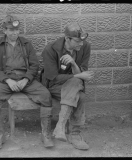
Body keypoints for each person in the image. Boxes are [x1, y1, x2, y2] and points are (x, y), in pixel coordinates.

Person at [0, 15, 54, 150]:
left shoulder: (26, 43)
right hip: (8, 80)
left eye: (17, 30)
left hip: (26, 79)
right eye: (11, 30)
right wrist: (7, 80)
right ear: (4, 31)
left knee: (46, 95)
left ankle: (46, 134)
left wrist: (26, 79)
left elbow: (35, 65)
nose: (15, 33)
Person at [41, 22, 94, 150]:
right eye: (77, 41)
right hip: (54, 86)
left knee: (78, 92)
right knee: (78, 93)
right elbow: (53, 78)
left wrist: (74, 64)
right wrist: (78, 76)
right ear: (67, 38)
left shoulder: (85, 47)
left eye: (82, 41)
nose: (80, 44)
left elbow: (81, 71)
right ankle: (70, 132)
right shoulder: (50, 49)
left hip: (73, 85)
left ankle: (65, 129)